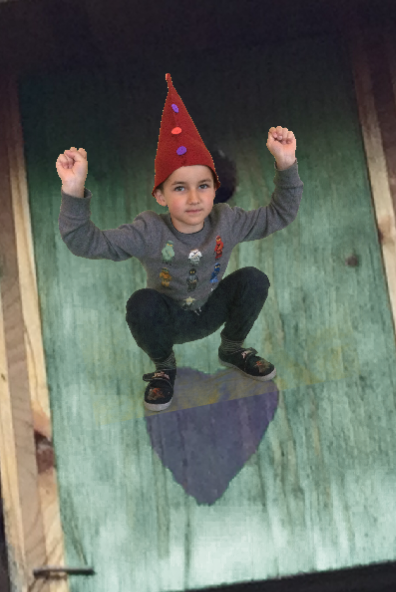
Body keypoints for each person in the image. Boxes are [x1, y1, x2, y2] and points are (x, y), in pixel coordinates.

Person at [56, 74, 302, 412]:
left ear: (215, 190)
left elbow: (280, 214)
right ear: (160, 196)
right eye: (180, 188)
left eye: (203, 186)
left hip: (212, 309)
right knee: (141, 303)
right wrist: (73, 190)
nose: (194, 198)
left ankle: (232, 348)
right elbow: (84, 242)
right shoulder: (149, 231)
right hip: (169, 321)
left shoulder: (227, 221)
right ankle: (164, 368)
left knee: (254, 279)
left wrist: (286, 164)